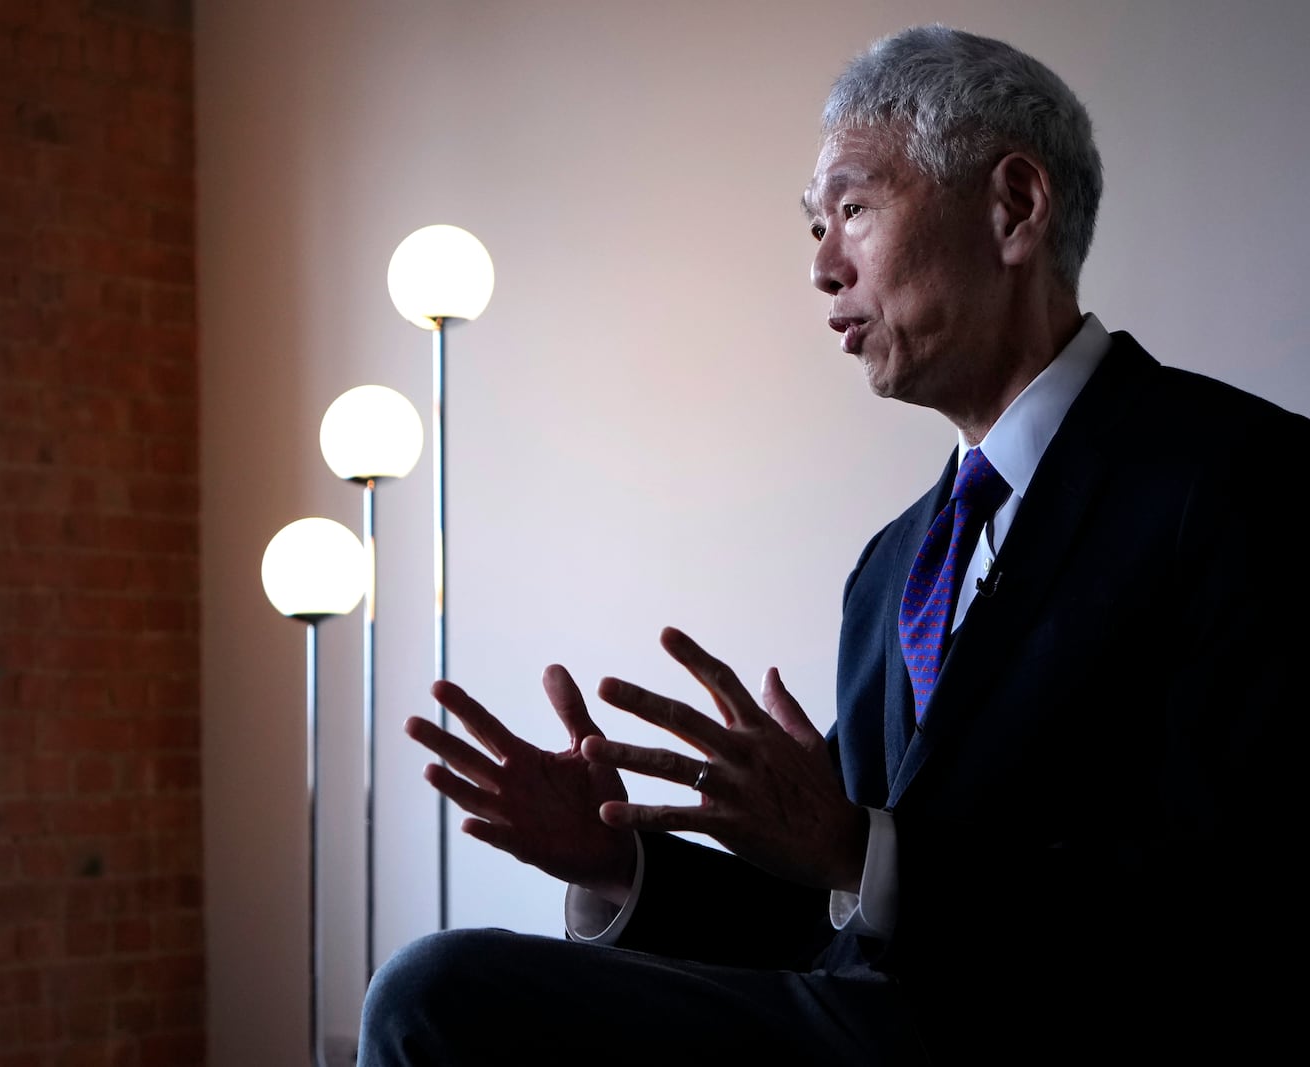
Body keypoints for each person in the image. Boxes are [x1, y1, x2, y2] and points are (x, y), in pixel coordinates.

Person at [359, 24, 1307, 1064]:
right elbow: (835, 924)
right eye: (815, 225)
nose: (820, 266)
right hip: (871, 1028)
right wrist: (621, 863)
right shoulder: (888, 567)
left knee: (438, 992)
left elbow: (1236, 897)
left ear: (1013, 208)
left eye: (852, 208)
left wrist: (865, 846)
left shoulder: (1242, 478)